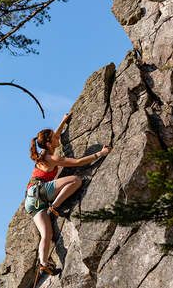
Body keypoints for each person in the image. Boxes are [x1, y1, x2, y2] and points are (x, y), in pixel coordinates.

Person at [25, 113, 112, 275]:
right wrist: (100, 153)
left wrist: (63, 121)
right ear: (49, 143)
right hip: (41, 192)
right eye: (54, 138)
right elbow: (78, 162)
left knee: (47, 234)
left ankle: (44, 263)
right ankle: (55, 207)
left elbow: (55, 135)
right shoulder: (52, 158)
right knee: (76, 180)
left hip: (32, 200)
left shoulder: (43, 152)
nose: (58, 139)